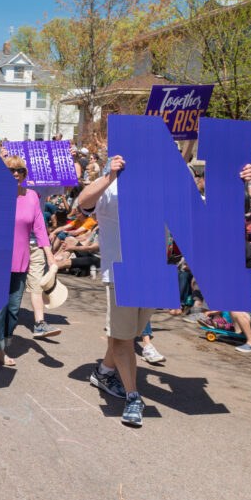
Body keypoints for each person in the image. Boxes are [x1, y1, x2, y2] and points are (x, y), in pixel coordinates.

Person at [76, 155, 155, 427]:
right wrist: (109, 176)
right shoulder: (109, 184)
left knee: (129, 333)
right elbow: (83, 202)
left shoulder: (158, 182)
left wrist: (237, 184)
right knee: (124, 338)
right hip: (121, 272)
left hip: (153, 272)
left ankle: (104, 372)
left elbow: (203, 210)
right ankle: (133, 396)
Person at [0, 156, 54, 370]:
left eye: (20, 170)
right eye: (11, 170)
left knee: (13, 309)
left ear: (25, 174)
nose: (15, 174)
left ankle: (3, 347)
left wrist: (50, 258)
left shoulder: (32, 196)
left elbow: (40, 229)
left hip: (21, 260)